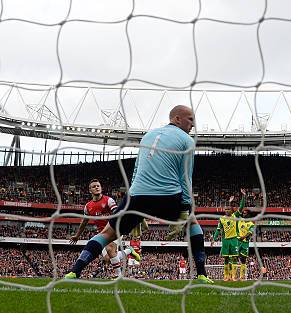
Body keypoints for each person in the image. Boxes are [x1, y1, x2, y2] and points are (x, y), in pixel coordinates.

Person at [65, 105, 213, 284]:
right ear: (177, 119)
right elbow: (185, 178)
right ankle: (202, 275)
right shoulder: (187, 140)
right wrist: (184, 210)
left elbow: (136, 171)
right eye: (190, 119)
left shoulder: (148, 136)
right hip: (168, 196)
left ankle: (74, 272)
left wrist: (136, 208)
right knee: (193, 223)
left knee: (107, 234)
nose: (193, 125)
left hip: (137, 195)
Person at [69, 179, 140, 277]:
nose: (97, 187)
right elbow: (84, 222)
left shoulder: (108, 200)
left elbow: (117, 213)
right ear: (90, 190)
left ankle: (118, 276)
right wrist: (77, 235)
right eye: (94, 186)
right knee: (107, 258)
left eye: (98, 186)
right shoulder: (88, 206)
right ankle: (129, 251)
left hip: (114, 230)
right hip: (102, 234)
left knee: (110, 248)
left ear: (101, 188)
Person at [212, 191, 246, 281]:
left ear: (231, 210)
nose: (227, 211)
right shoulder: (222, 219)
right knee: (226, 258)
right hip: (225, 241)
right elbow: (218, 230)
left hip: (234, 240)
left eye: (228, 209)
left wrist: (243, 196)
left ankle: (233, 276)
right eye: (225, 209)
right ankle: (226, 276)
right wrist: (214, 239)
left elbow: (241, 207)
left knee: (235, 257)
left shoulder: (235, 215)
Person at [237, 208, 256, 281]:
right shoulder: (240, 220)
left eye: (245, 213)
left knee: (243, 259)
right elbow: (236, 213)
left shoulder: (251, 224)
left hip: (245, 243)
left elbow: (249, 233)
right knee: (234, 257)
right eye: (243, 213)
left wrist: (243, 237)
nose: (243, 214)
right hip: (238, 242)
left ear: (248, 214)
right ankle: (232, 276)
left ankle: (242, 277)